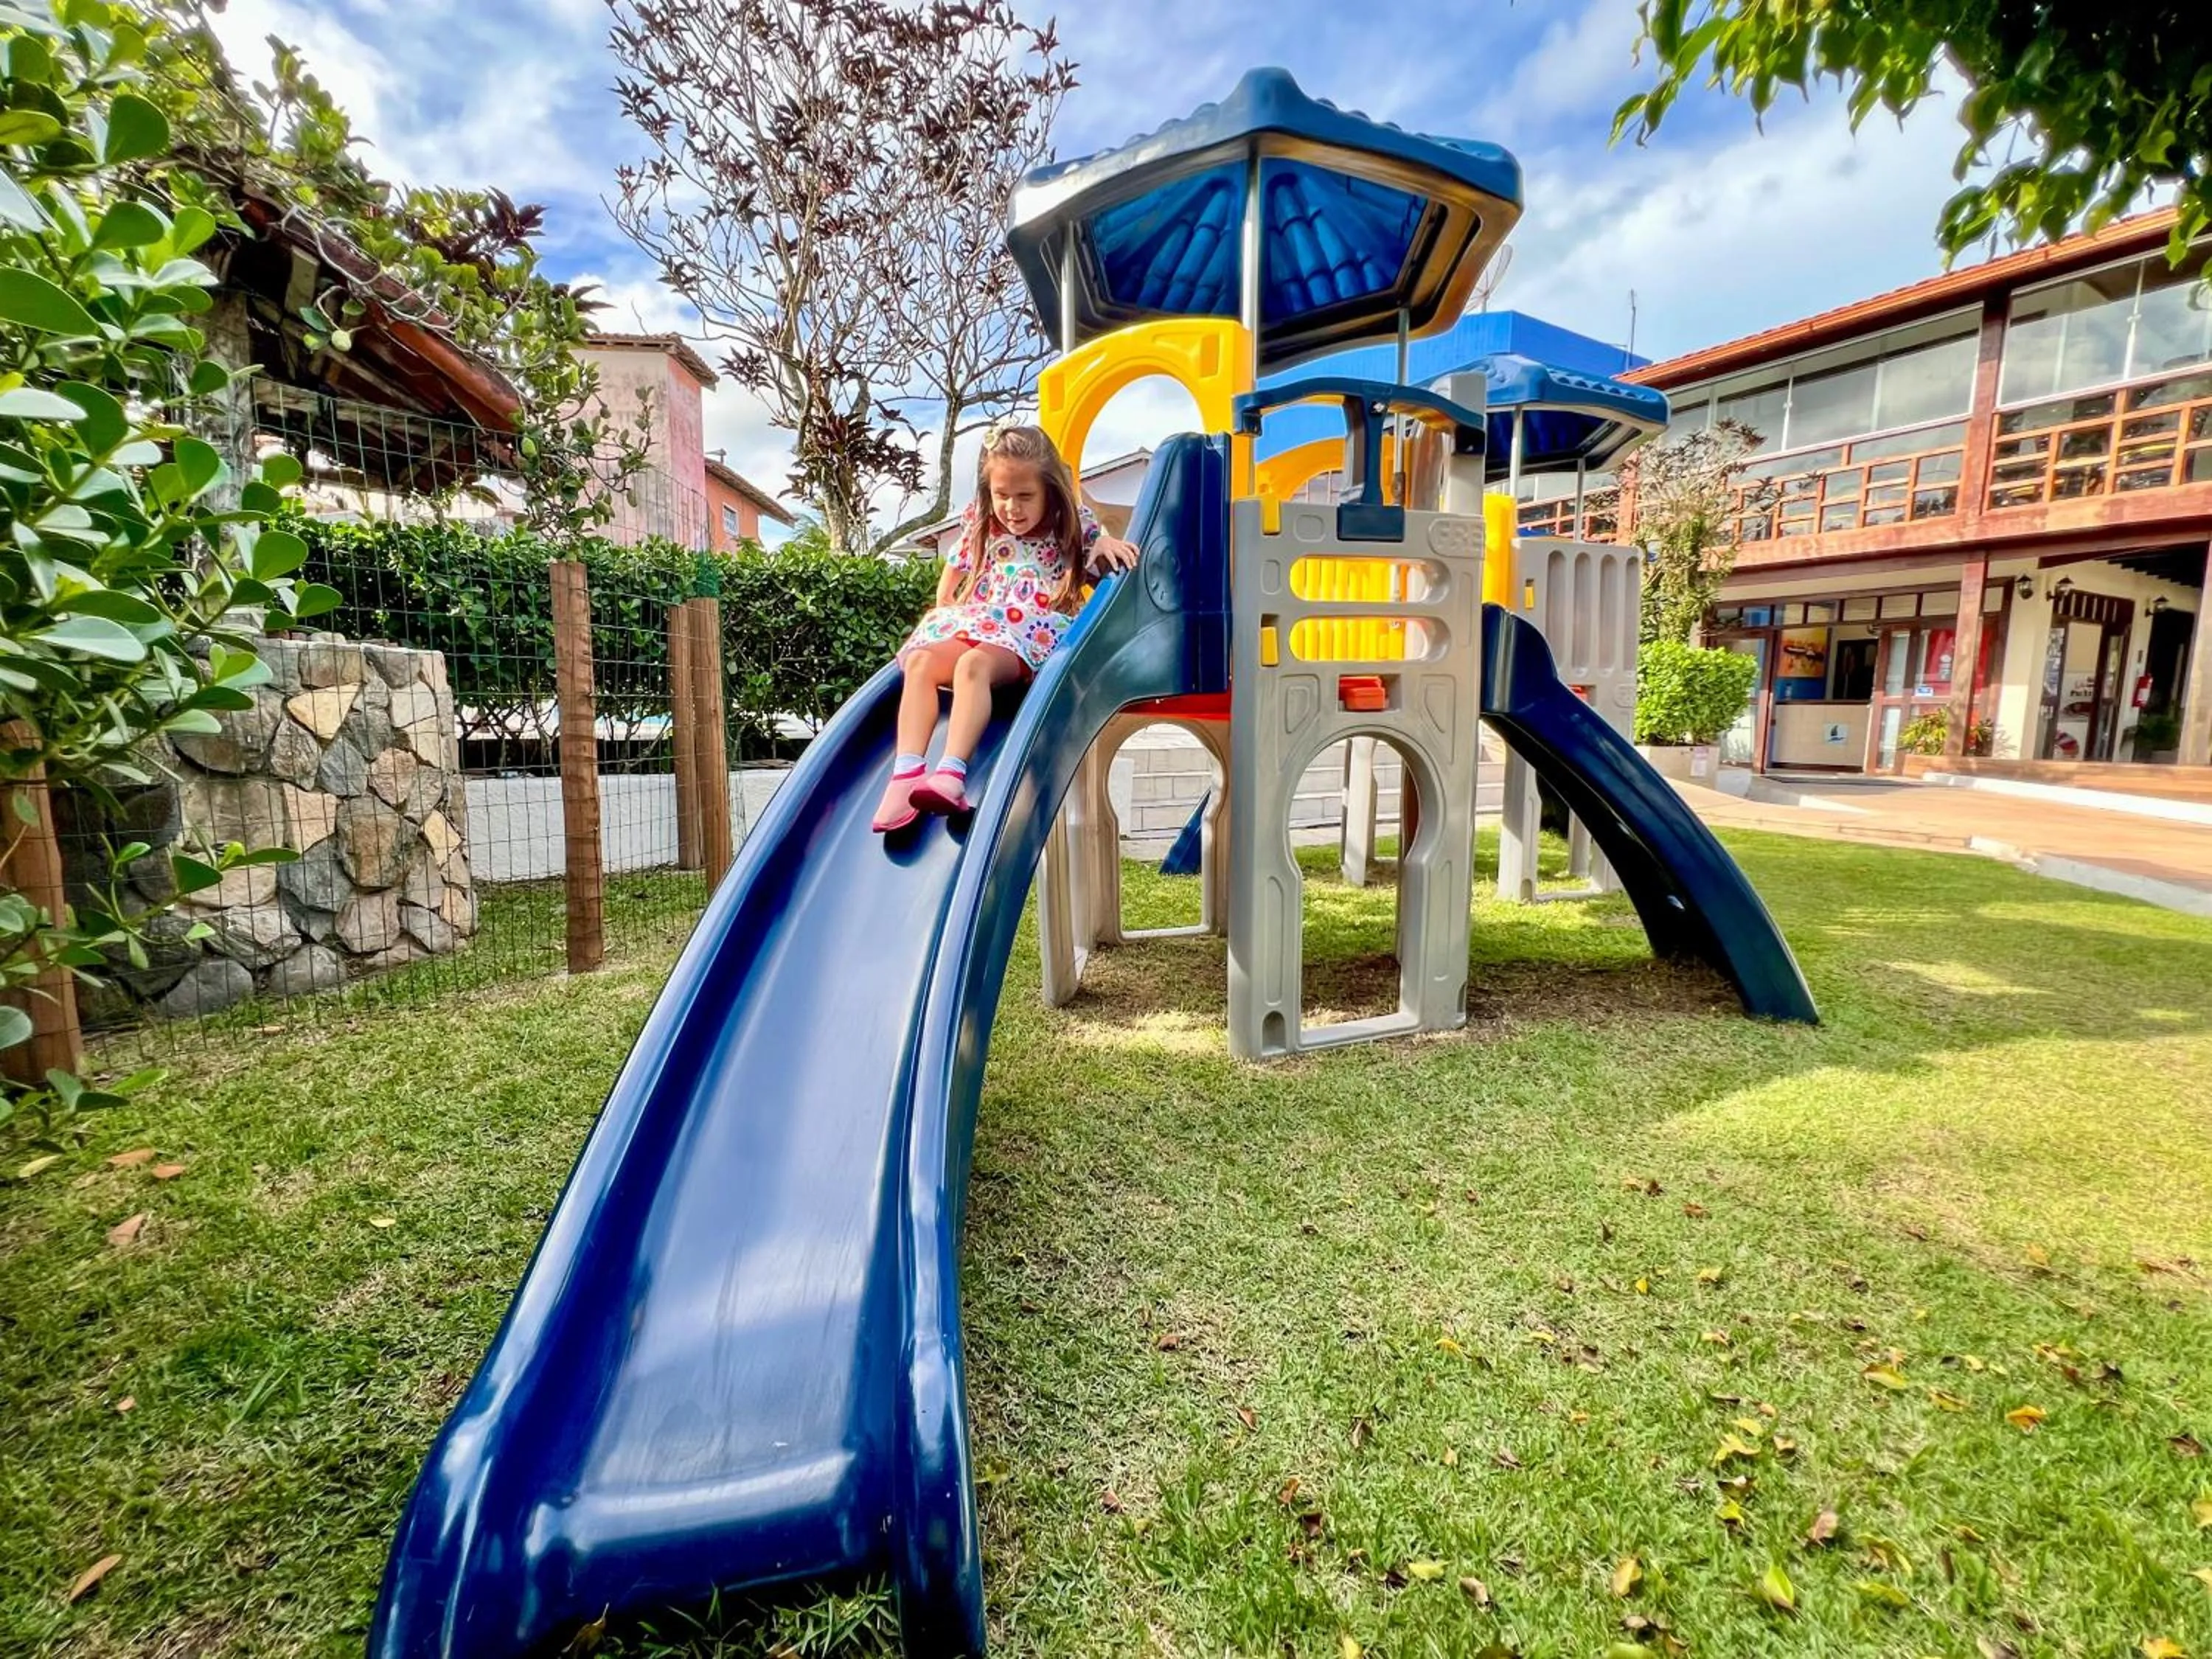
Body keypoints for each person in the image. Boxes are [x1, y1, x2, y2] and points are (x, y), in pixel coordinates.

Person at [874, 423, 1138, 832]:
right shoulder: (982, 521)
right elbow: (952, 577)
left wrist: (1102, 542)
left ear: (1049, 491)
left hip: (1029, 634)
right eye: (1002, 495)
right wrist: (948, 612)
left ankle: (951, 773)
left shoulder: (1067, 523)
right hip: (984, 622)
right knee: (921, 661)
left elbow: (1096, 550)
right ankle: (906, 772)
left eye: (1025, 496)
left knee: (972, 666)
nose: (1012, 507)